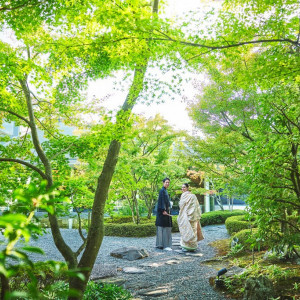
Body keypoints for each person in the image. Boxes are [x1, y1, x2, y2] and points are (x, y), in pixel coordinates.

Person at [177, 183, 204, 252]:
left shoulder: (192, 196)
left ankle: (192, 246)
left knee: (192, 230)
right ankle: (186, 246)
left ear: (187, 188)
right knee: (186, 230)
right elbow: (181, 206)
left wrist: (189, 214)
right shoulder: (183, 195)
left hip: (190, 216)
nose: (183, 189)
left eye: (184, 187)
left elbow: (194, 206)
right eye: (182, 188)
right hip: (185, 215)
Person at [155, 177, 173, 251]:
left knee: (164, 228)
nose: (167, 183)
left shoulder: (165, 190)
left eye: (168, 182)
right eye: (166, 182)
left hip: (165, 212)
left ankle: (163, 244)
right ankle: (163, 245)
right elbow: (161, 201)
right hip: (163, 213)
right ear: (163, 183)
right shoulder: (162, 191)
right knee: (162, 228)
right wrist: (163, 210)